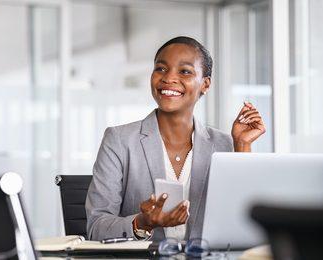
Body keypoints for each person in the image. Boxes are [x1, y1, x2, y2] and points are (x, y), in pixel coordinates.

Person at [85, 36, 266, 241]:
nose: (168, 78)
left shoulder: (224, 144)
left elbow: (245, 222)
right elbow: (96, 227)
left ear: (205, 84)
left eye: (185, 71)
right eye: (161, 68)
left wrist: (242, 146)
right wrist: (143, 223)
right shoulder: (119, 140)